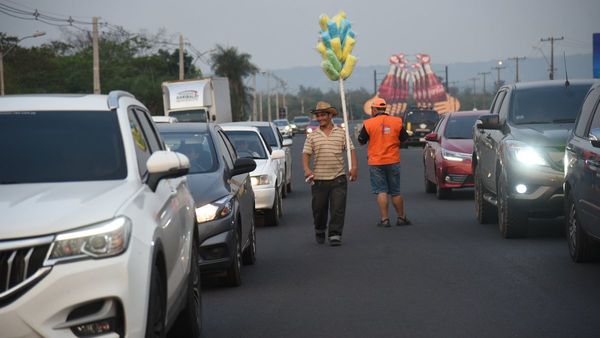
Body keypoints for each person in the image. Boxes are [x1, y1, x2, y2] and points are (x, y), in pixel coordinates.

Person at [302, 101, 357, 246]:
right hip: (319, 179)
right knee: (319, 209)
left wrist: (354, 167)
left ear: (330, 115)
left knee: (338, 208)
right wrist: (307, 169)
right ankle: (320, 229)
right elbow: (306, 154)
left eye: (323, 115)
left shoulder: (341, 133)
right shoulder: (313, 136)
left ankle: (335, 234)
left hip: (338, 178)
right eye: (318, 116)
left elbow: (351, 149)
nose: (320, 118)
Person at [357, 97, 411, 227]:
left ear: (375, 109)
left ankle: (385, 220)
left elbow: (361, 140)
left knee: (381, 191)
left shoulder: (369, 123)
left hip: (375, 162)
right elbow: (405, 139)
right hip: (392, 160)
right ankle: (401, 218)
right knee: (395, 191)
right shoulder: (397, 121)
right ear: (384, 109)